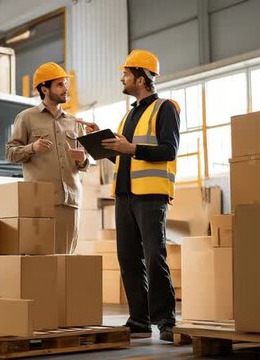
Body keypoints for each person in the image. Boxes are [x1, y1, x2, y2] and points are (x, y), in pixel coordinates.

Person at [77, 50, 180, 341]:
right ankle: (139, 320)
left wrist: (130, 148)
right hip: (124, 195)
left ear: (140, 76)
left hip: (150, 196)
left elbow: (168, 150)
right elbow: (124, 158)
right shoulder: (129, 115)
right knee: (129, 258)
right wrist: (102, 144)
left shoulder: (165, 108)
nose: (122, 78)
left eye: (125, 74)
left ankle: (167, 321)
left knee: (153, 255)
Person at [6, 62, 90, 254]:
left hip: (70, 199)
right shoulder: (26, 118)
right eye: (60, 85)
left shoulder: (73, 121)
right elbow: (10, 153)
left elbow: (85, 164)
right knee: (40, 258)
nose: (65, 89)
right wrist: (32, 148)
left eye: (65, 84)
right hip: (40, 200)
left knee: (66, 257)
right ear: (45, 89)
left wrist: (82, 159)